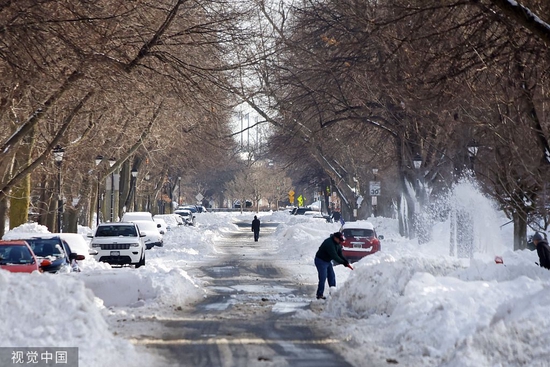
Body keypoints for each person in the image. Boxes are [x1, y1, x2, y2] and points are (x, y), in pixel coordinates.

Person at [314, 232, 353, 300]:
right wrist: (343, 263)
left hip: (327, 261)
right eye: (340, 240)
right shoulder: (329, 244)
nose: (340, 242)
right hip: (320, 261)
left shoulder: (337, 243)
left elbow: (340, 254)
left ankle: (333, 293)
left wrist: (345, 261)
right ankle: (319, 295)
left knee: (332, 276)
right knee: (323, 277)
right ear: (335, 238)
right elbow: (335, 256)